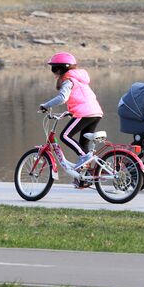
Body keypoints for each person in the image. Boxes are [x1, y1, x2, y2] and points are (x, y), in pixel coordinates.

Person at [39, 52, 103, 188]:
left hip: (84, 113)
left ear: (61, 68)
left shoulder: (69, 80)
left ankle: (85, 158)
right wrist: (69, 112)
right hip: (95, 112)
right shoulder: (79, 80)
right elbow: (83, 98)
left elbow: (63, 98)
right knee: (82, 144)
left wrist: (46, 105)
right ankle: (84, 178)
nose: (53, 72)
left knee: (65, 136)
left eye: (54, 68)